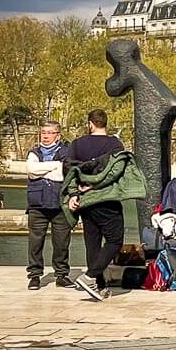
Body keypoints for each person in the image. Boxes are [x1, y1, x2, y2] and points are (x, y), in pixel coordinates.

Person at [66, 109, 124, 300]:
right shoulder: (115, 145)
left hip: (85, 202)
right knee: (115, 241)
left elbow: (69, 170)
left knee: (92, 243)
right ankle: (90, 276)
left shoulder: (77, 144)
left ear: (90, 123)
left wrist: (74, 193)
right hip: (107, 198)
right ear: (105, 123)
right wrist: (94, 184)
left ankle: (98, 286)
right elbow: (117, 171)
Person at [26, 121, 72, 290]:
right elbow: (31, 170)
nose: (45, 136)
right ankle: (35, 275)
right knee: (35, 243)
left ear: (57, 135)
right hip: (37, 204)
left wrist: (41, 170)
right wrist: (54, 166)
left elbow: (63, 174)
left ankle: (61, 275)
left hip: (60, 204)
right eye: (43, 132)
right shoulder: (34, 152)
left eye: (49, 133)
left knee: (61, 243)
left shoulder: (67, 152)